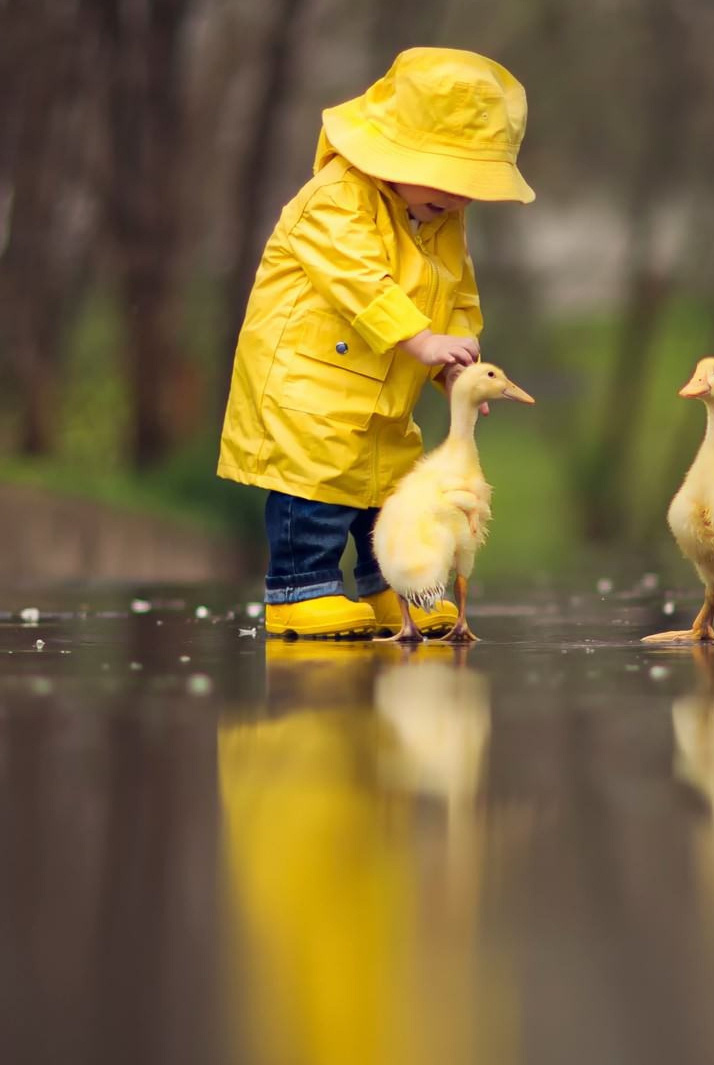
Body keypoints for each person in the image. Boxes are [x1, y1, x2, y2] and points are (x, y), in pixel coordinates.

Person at [218, 48, 533, 638]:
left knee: (394, 494)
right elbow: (359, 279)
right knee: (315, 488)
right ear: (392, 150)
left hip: (386, 390)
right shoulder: (335, 198)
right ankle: (298, 590)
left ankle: (399, 589)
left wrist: (454, 363)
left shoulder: (439, 220)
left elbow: (460, 294)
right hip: (308, 386)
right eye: (448, 179)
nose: (458, 199)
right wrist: (418, 337)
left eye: (471, 188)